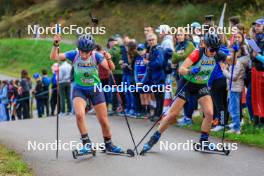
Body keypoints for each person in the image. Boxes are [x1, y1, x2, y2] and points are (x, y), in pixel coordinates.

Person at [141, 33, 228, 153]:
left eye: (216, 49)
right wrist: (191, 70)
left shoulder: (217, 54)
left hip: (201, 85)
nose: (214, 52)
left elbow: (229, 60)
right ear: (205, 45)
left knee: (209, 113)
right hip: (187, 84)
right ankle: (154, 138)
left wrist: (235, 50)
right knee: (172, 115)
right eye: (212, 49)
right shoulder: (197, 53)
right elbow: (181, 70)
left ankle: (203, 142)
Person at [50, 34, 123, 154]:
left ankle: (109, 144)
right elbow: (55, 57)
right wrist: (56, 44)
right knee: (79, 114)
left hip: (95, 89)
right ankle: (87, 144)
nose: (83, 55)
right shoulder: (74, 54)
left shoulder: (96, 56)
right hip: (80, 89)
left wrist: (109, 58)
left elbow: (111, 68)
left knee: (103, 120)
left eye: (86, 52)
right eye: (82, 51)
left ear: (92, 50)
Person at [220, 32, 250, 134]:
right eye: (231, 51)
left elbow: (234, 77)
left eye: (233, 52)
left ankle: (236, 128)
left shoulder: (239, 63)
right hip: (232, 87)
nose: (231, 53)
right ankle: (234, 124)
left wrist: (224, 70)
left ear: (239, 53)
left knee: (234, 107)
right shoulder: (234, 61)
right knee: (231, 107)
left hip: (235, 87)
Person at [172, 29, 196, 127]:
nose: (179, 36)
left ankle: (189, 118)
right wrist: (177, 56)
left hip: (190, 73)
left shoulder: (189, 44)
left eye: (181, 34)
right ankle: (186, 116)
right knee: (182, 96)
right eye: (177, 35)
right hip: (180, 74)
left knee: (190, 96)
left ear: (185, 35)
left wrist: (175, 54)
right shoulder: (177, 46)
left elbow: (186, 56)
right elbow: (174, 60)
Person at [142, 33, 166, 122]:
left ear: (156, 40)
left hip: (159, 77)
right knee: (156, 96)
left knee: (160, 97)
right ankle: (156, 114)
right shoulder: (151, 49)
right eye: (149, 40)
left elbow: (159, 63)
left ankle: (159, 115)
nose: (151, 41)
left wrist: (148, 62)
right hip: (153, 77)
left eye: (153, 39)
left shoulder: (159, 50)